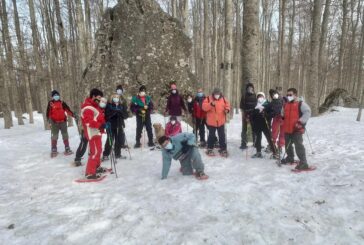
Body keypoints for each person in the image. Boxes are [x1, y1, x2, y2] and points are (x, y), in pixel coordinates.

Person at [281, 88, 311, 170]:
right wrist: (282, 116)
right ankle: (290, 158)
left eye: (290, 95)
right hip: (287, 129)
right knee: (287, 145)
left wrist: (300, 122)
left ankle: (303, 163)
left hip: (297, 129)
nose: (288, 96)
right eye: (287, 95)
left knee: (299, 145)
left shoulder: (300, 104)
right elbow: (282, 113)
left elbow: (307, 112)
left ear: (295, 95)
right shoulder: (285, 104)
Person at [80, 89, 108, 179]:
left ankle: (97, 167)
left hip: (97, 132)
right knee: (95, 152)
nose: (100, 100)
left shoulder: (95, 107)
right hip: (92, 133)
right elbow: (88, 122)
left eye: (101, 98)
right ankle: (89, 173)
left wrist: (104, 124)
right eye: (99, 97)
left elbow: (98, 118)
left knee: (99, 150)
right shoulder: (88, 107)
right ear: (93, 96)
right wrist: (101, 125)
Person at [202, 88, 230, 157]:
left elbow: (228, 105)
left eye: (218, 94)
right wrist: (210, 104)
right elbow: (204, 107)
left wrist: (227, 110)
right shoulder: (208, 98)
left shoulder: (223, 99)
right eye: (215, 94)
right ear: (213, 93)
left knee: (222, 135)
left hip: (221, 120)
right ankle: (209, 148)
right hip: (212, 121)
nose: (216, 95)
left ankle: (223, 149)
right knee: (211, 135)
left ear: (220, 94)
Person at [46, 90, 74, 157]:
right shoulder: (50, 103)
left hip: (63, 122)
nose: (56, 96)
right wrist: (49, 121)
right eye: (55, 95)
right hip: (54, 123)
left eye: (57, 95)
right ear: (52, 97)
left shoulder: (62, 103)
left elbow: (68, 110)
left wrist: (73, 115)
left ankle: (67, 148)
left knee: (65, 135)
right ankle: (54, 148)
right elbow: (48, 113)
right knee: (54, 136)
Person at [250, 92, 278, 159]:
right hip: (257, 125)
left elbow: (273, 113)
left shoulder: (268, 104)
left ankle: (275, 153)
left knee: (269, 139)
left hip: (266, 125)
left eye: (261, 96)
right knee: (258, 139)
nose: (260, 98)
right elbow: (252, 115)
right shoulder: (255, 105)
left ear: (264, 97)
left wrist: (266, 114)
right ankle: (258, 152)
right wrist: (251, 118)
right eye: (258, 96)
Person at [102, 93, 129, 161]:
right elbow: (106, 116)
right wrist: (114, 113)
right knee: (110, 140)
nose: (116, 98)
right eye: (114, 97)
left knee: (118, 140)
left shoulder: (121, 105)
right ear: (112, 98)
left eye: (117, 97)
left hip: (119, 125)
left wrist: (121, 113)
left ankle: (118, 154)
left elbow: (126, 115)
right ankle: (105, 154)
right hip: (111, 125)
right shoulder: (108, 105)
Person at [239, 82, 257, 150]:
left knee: (254, 129)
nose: (250, 89)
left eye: (251, 87)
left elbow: (256, 105)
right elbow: (241, 106)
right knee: (244, 129)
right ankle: (243, 143)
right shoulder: (244, 96)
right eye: (249, 88)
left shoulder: (255, 95)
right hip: (245, 115)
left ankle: (255, 142)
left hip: (253, 115)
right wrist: (244, 114)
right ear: (247, 89)